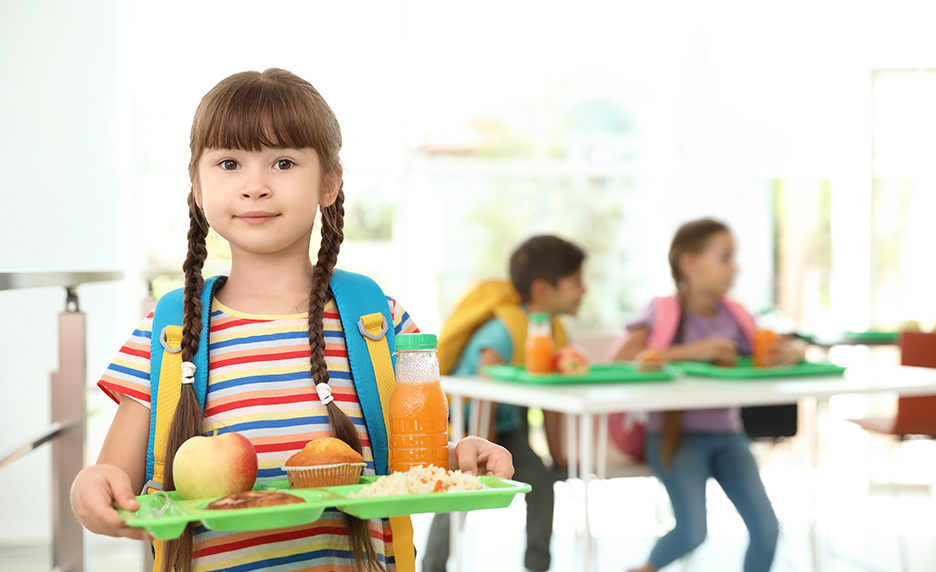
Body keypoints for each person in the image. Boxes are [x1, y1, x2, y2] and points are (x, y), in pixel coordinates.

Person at [69, 68, 512, 572]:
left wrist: (460, 457)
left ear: (329, 182)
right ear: (196, 183)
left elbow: (416, 461)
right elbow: (112, 477)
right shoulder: (167, 333)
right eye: (229, 162)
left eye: (282, 162)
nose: (254, 186)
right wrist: (91, 488)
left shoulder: (380, 322)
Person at [614, 218, 802, 572]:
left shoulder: (736, 316)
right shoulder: (662, 311)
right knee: (692, 531)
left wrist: (793, 353)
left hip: (728, 436)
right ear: (690, 263)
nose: (735, 268)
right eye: (726, 257)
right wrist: (692, 351)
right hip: (675, 437)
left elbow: (770, 349)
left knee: (766, 529)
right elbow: (626, 359)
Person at [423, 235, 587, 572]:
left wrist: (558, 458)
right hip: (471, 428)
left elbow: (552, 400)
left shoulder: (554, 332)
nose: (584, 290)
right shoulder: (504, 329)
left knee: (541, 481)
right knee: (459, 490)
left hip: (511, 427)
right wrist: (480, 450)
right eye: (576, 282)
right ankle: (432, 566)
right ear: (543, 289)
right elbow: (486, 393)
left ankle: (538, 564)